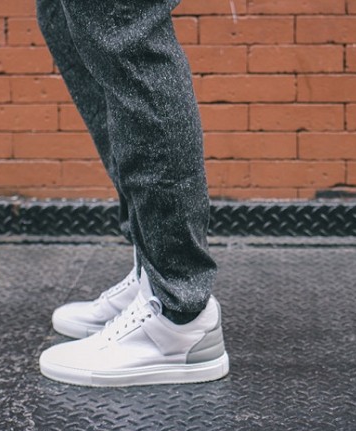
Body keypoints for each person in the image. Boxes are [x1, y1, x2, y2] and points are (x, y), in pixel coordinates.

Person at [35, 0, 229, 387]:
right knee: (62, 17)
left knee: (122, 23)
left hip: (177, 319)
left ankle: (178, 310)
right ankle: (150, 271)